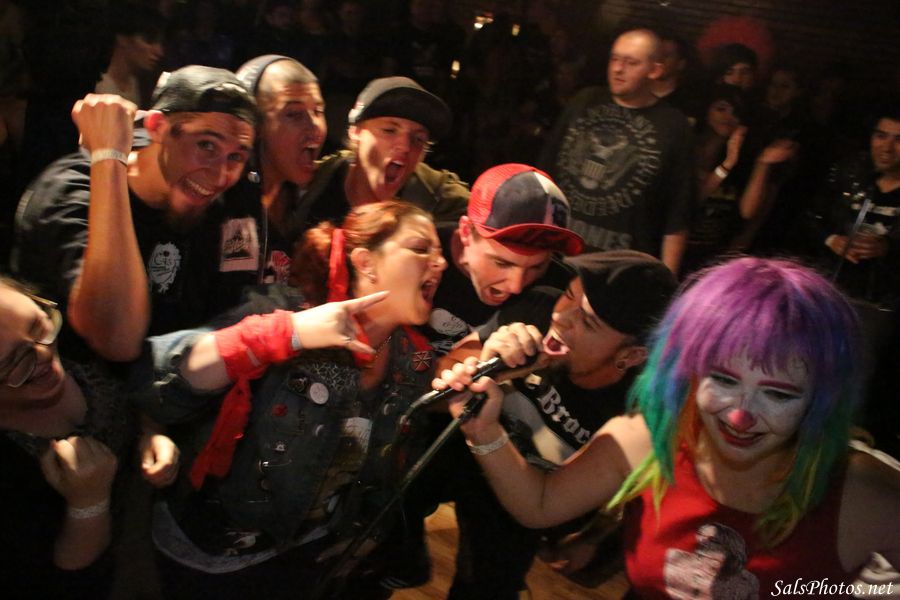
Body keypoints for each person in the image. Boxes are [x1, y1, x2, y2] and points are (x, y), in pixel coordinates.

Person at [435, 257, 900, 597]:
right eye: (723, 380)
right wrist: (483, 432)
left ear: (821, 398)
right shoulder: (650, 437)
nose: (740, 416)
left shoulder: (862, 494)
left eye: (778, 394)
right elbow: (538, 505)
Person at [131, 201, 447, 599]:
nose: (441, 263)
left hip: (303, 557)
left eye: (440, 253)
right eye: (420, 248)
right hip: (212, 555)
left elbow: (389, 463)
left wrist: (365, 532)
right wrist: (287, 333)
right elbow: (156, 380)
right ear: (366, 263)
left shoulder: (411, 360)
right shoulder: (284, 310)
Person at [432, 251, 676, 599]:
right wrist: (486, 364)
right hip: (467, 452)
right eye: (569, 295)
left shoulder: (640, 407)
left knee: (487, 582)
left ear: (632, 355)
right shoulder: (538, 308)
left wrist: (593, 537)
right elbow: (438, 385)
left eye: (588, 322)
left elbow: (632, 491)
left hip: (529, 493)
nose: (561, 317)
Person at [11, 65, 257, 363]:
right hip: (68, 381)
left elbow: (236, 312)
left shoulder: (228, 205)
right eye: (206, 145)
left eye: (235, 156)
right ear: (157, 127)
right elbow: (117, 340)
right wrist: (108, 156)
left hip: (177, 379)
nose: (219, 175)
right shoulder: (70, 190)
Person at [0, 276, 178, 599]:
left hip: (151, 528)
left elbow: (135, 369)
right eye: (12, 363)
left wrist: (152, 428)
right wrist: (87, 503)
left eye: (37, 325)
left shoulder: (71, 329)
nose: (42, 353)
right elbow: (57, 579)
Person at [539, 28, 693, 274]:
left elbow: (678, 213)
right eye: (615, 59)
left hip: (622, 270)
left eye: (631, 62)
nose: (618, 69)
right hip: (559, 255)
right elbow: (544, 177)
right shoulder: (584, 101)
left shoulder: (673, 125)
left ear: (655, 70)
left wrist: (666, 282)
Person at [425, 163, 583, 354]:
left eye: (537, 267)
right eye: (502, 263)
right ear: (466, 232)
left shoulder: (565, 293)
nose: (516, 286)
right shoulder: (416, 255)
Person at [210, 55, 327, 294]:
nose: (314, 126)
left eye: (318, 111)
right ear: (255, 125)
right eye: (294, 114)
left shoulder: (311, 199)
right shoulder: (226, 199)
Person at [300, 75, 468, 229]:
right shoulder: (312, 186)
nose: (405, 146)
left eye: (418, 138)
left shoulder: (437, 196)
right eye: (389, 130)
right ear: (356, 132)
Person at [684, 84, 796, 272]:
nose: (728, 117)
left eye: (735, 113)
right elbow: (691, 201)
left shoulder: (742, 157)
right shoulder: (688, 148)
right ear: (706, 110)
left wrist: (762, 163)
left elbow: (747, 211)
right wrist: (726, 165)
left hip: (714, 255)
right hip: (680, 245)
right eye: (721, 109)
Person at [95, 2, 166, 107]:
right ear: (123, 39)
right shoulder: (98, 85)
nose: (159, 51)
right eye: (149, 39)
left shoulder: (137, 84)